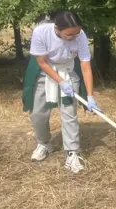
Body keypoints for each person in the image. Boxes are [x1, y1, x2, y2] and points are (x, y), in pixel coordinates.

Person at [22, 10, 102, 173]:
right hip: (45, 72)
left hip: (68, 70)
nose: (74, 37)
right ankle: (44, 143)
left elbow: (85, 66)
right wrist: (60, 81)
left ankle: (72, 153)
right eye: (69, 34)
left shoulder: (80, 35)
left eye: (77, 33)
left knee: (69, 113)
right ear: (57, 28)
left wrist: (90, 96)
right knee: (38, 113)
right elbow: (42, 62)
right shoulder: (41, 32)